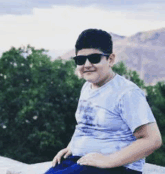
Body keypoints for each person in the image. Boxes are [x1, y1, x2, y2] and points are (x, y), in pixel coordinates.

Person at [44, 29, 162, 174]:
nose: (86, 64)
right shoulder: (87, 87)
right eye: (80, 60)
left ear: (110, 59)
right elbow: (85, 126)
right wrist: (72, 147)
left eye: (94, 58)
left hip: (118, 167)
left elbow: (152, 140)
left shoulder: (127, 93)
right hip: (83, 161)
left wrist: (109, 161)